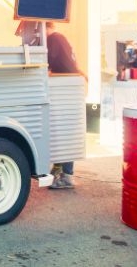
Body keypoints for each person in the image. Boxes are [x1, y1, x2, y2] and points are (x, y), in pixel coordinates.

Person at [45, 21, 86, 189]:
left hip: (67, 87)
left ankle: (67, 176)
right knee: (65, 129)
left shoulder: (53, 38)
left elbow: (47, 63)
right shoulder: (62, 38)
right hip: (72, 86)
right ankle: (59, 168)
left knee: (64, 129)